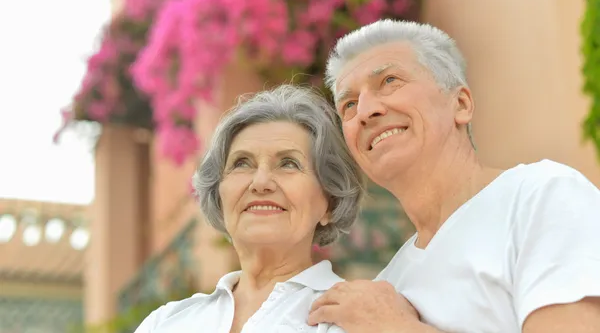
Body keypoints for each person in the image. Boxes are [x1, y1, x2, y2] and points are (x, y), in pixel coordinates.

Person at [308, 19, 600, 333]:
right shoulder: (384, 290)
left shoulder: (542, 196)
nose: (365, 111)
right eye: (348, 104)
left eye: (390, 81)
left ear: (460, 104)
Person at [134, 85, 364, 333]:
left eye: (288, 163)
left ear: (330, 201)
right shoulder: (166, 322)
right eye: (242, 163)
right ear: (220, 196)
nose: (261, 182)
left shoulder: (356, 319)